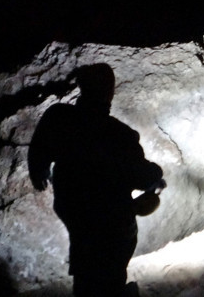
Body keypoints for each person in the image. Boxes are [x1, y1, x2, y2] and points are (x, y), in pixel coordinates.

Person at [28, 63, 165, 297]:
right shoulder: (120, 135)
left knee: (86, 266)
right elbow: (140, 175)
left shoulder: (59, 116)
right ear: (110, 92)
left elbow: (39, 151)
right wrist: (156, 176)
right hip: (111, 220)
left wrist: (39, 171)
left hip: (74, 210)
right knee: (109, 270)